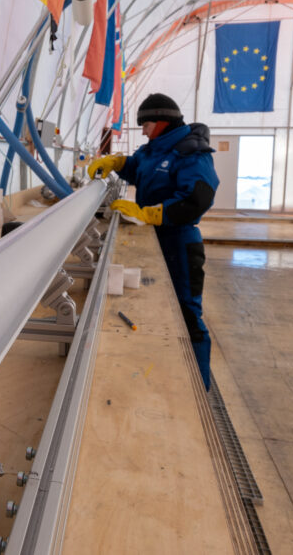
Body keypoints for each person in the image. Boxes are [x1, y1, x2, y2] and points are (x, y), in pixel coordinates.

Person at [88, 93, 219, 390]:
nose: (143, 131)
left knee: (188, 313)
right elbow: (139, 167)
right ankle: (175, 374)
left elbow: (199, 198)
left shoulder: (190, 151)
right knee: (164, 310)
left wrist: (151, 214)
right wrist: (118, 162)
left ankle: (200, 386)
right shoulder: (155, 149)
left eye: (145, 124)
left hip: (181, 243)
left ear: (161, 121)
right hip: (158, 238)